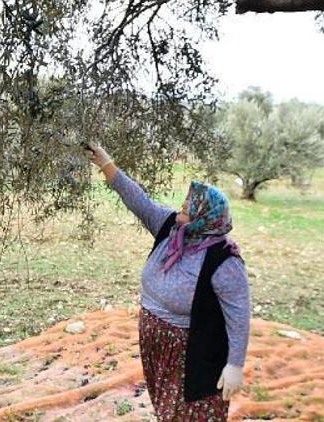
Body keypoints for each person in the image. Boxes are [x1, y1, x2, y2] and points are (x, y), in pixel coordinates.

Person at [85, 143, 250, 421]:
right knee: (166, 409)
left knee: (188, 413)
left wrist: (235, 365)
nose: (182, 207)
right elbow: (138, 200)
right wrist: (106, 164)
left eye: (189, 205)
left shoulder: (224, 260)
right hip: (156, 343)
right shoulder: (172, 228)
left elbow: (239, 315)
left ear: (206, 216)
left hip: (191, 354)